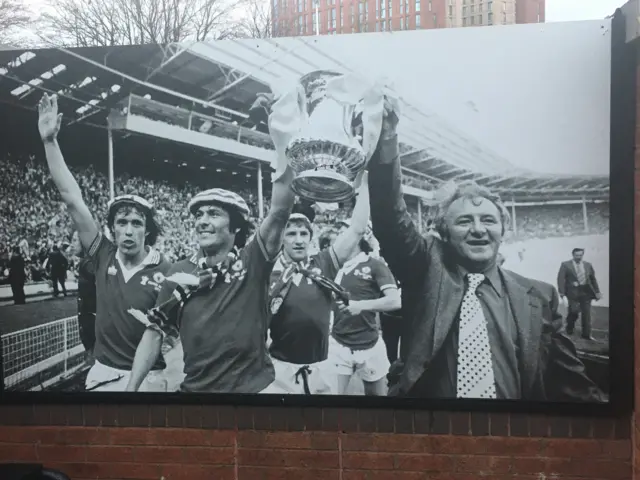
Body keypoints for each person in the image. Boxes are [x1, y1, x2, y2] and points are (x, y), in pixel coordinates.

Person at [366, 97, 605, 402]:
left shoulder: (540, 296)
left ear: (503, 230)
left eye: (488, 220)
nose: (478, 228)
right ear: (444, 234)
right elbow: (389, 217)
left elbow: (573, 384)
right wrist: (386, 136)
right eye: (464, 221)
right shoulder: (426, 269)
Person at [37, 93, 171, 392]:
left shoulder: (167, 269)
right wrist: (50, 142)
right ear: (111, 228)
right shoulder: (102, 254)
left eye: (137, 223)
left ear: (148, 231)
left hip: (150, 379)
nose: (128, 230)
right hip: (104, 375)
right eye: (121, 223)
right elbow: (72, 199)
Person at [266, 180, 370, 395]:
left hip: (322, 369)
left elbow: (357, 229)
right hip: (280, 371)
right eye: (291, 234)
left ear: (310, 238)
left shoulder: (322, 264)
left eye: (304, 234)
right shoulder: (268, 274)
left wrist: (366, 179)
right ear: (282, 239)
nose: (298, 240)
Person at [329, 223, 401, 396]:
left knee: (377, 406)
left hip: (370, 345)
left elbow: (395, 301)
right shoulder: (333, 265)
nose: (341, 238)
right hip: (338, 343)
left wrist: (360, 306)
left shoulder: (375, 265)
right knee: (330, 401)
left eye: (344, 233)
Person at [557, 248, 602, 340]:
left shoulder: (588, 265)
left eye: (580, 255)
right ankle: (569, 327)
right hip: (572, 293)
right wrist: (562, 294)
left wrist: (597, 292)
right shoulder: (565, 265)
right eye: (577, 255)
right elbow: (560, 279)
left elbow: (593, 279)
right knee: (573, 312)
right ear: (573, 255)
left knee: (586, 314)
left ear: (583, 255)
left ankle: (586, 334)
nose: (579, 257)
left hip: (586, 292)